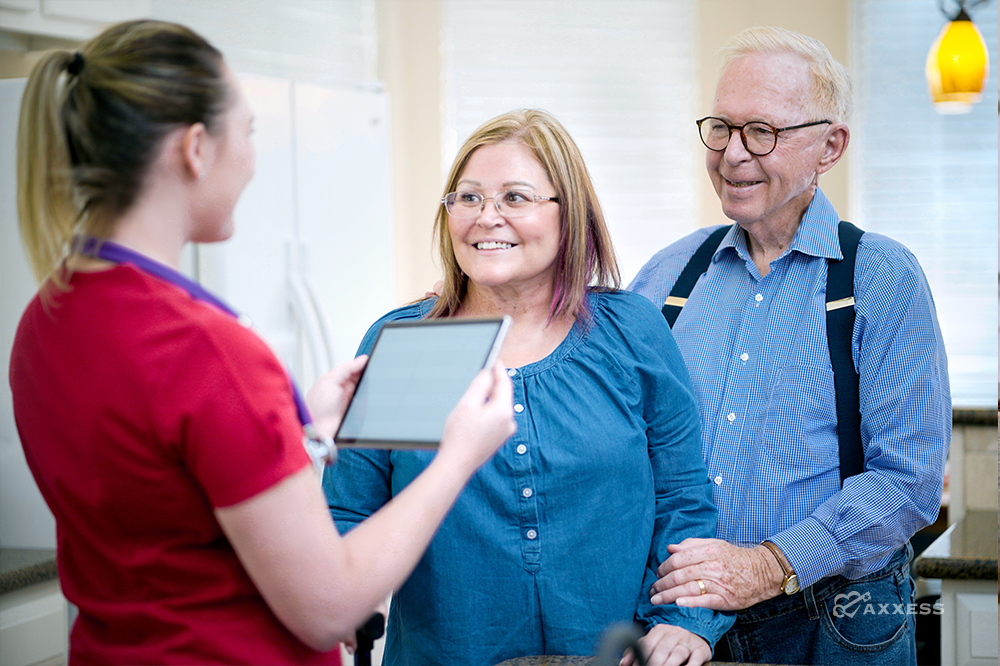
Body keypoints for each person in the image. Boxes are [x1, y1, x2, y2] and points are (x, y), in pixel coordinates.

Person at [10, 20, 516, 665]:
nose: (252, 156)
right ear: (196, 148)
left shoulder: (47, 319)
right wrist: (459, 455)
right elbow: (328, 608)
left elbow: (165, 511)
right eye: (248, 131)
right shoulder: (205, 349)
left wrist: (299, 434)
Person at [323, 109, 733, 666]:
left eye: (515, 197)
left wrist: (686, 622)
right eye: (467, 198)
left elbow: (682, 501)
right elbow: (350, 512)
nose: (486, 217)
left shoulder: (631, 332)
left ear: (571, 214)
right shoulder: (408, 344)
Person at [629, 26, 950, 666]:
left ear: (829, 146)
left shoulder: (881, 278)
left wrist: (770, 566)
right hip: (680, 626)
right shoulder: (667, 277)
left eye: (763, 131)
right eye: (721, 127)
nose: (733, 154)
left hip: (837, 622)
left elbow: (905, 484)